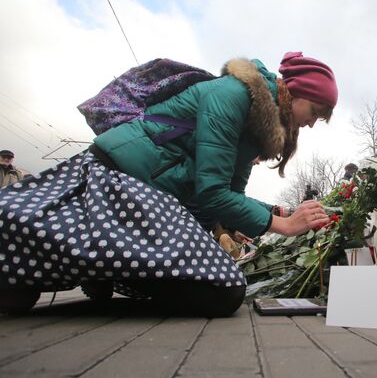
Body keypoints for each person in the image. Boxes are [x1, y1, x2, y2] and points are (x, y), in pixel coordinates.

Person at [0, 51, 337, 316]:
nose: (311, 123)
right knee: (223, 292)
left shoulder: (257, 130)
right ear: (295, 93)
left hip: (149, 193)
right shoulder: (232, 95)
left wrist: (284, 213)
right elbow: (212, 191)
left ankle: (96, 268)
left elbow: (230, 197)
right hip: (119, 177)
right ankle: (94, 267)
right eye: (315, 111)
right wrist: (285, 225)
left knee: (223, 289)